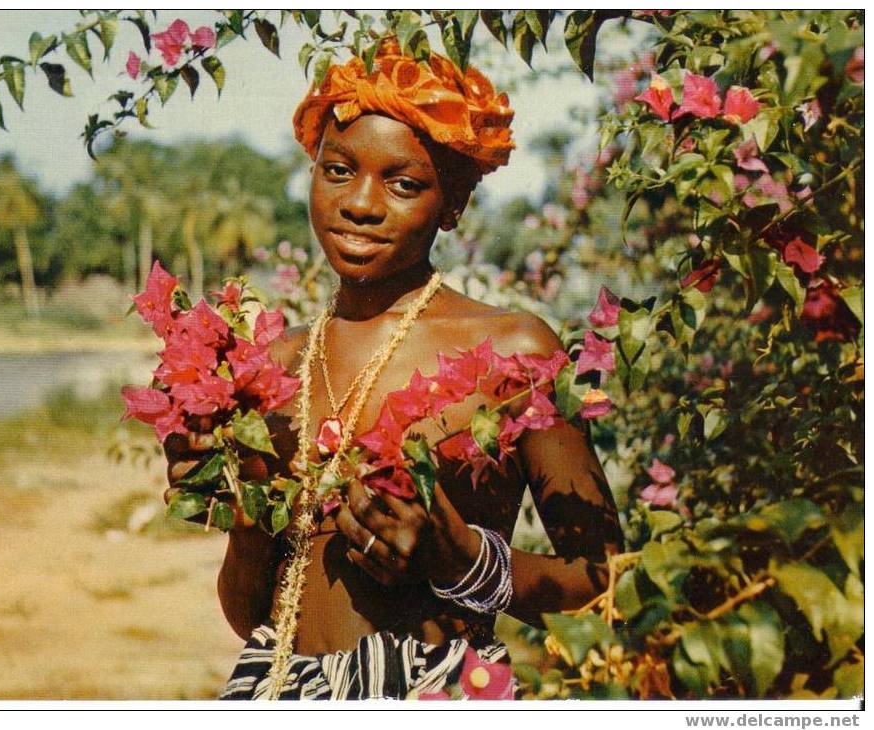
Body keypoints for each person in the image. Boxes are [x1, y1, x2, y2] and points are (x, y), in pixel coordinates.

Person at [164, 38, 623, 700]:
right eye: (338, 171)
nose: (360, 204)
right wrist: (248, 508)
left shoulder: (513, 351)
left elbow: (611, 585)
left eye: (404, 183)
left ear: (455, 205)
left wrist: (462, 561)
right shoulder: (272, 364)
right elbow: (252, 617)